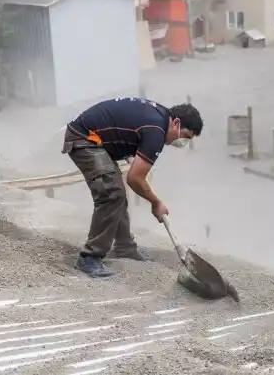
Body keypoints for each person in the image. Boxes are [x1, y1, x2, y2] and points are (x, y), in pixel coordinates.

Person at [62, 97, 203, 278]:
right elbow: (134, 178)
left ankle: (125, 248)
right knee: (113, 193)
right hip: (84, 138)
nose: (183, 143)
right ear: (176, 123)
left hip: (99, 140)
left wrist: (130, 155)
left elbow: (130, 131)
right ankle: (89, 257)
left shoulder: (159, 117)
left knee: (116, 192)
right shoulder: (156, 131)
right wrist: (156, 203)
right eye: (186, 136)